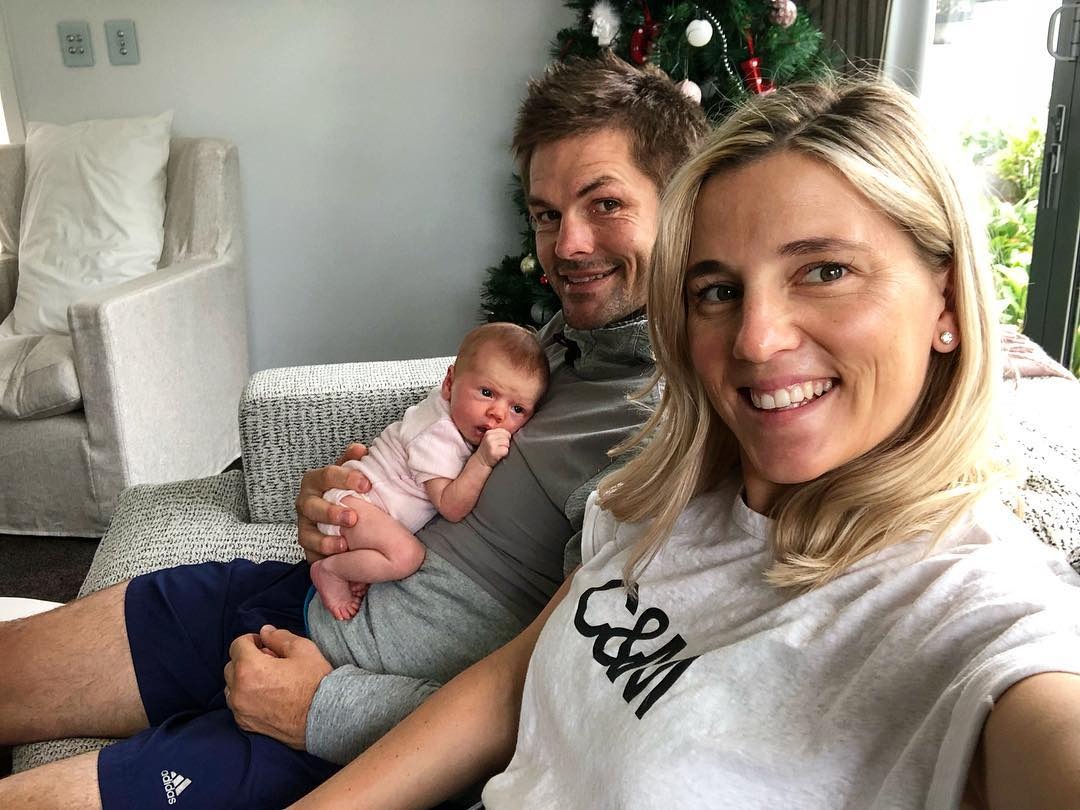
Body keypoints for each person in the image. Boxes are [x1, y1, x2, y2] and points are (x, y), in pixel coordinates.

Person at [290, 80, 1080, 809]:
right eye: (717, 291)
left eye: (826, 271)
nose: (758, 339)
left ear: (946, 297)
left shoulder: (978, 617)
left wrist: (330, 705)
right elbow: (518, 682)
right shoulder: (666, 490)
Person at [0, 53, 708, 808]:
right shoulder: (569, 336)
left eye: (605, 205)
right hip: (295, 595)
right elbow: (441, 444)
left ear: (682, 206)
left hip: (353, 707)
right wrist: (338, 494)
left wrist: (326, 707)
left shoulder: (670, 427)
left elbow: (569, 700)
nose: (566, 246)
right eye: (546, 213)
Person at [312, 323, 548, 620]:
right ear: (449, 383)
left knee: (396, 553)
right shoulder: (437, 433)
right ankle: (330, 570)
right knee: (407, 557)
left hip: (365, 510)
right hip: (356, 506)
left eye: (518, 410)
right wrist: (482, 462)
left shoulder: (456, 417)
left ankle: (356, 565)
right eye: (487, 392)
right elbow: (450, 506)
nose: (498, 413)